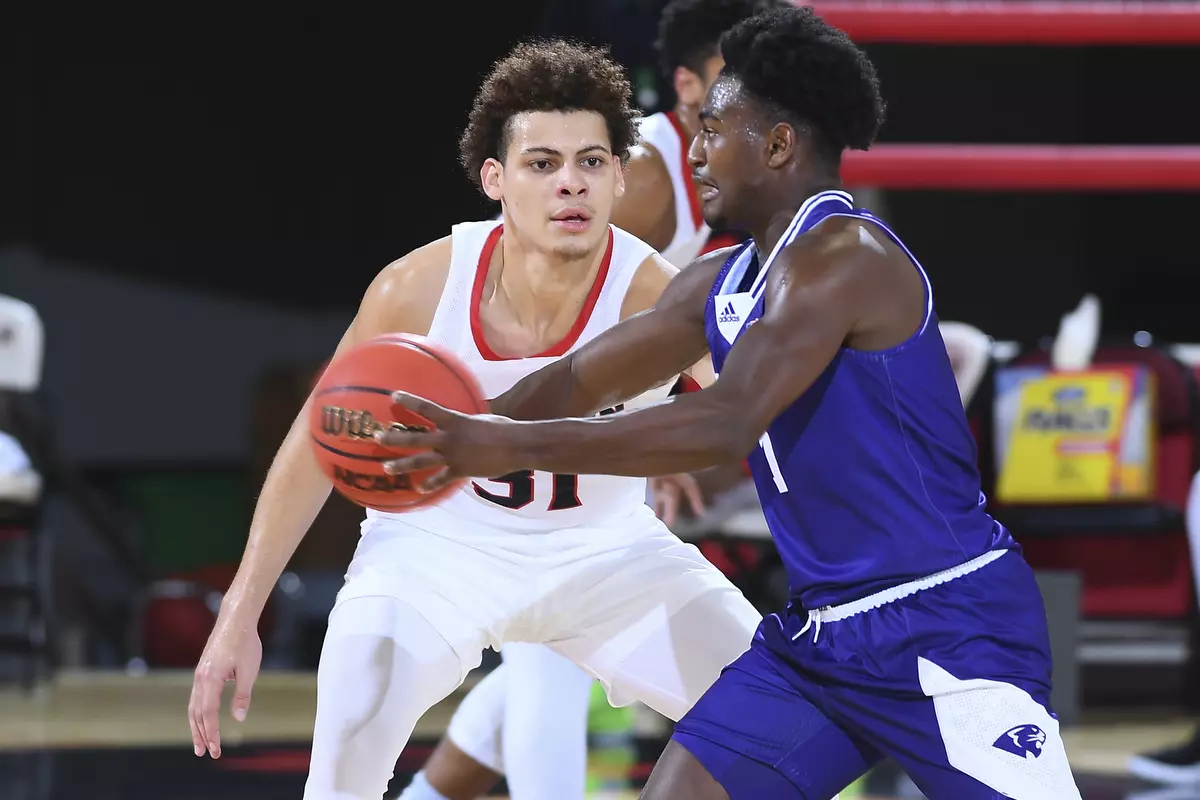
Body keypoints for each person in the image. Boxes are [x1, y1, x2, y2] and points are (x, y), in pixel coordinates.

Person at [377, 8, 1084, 799]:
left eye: (713, 132)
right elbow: (581, 379)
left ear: (777, 145)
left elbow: (725, 421)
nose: (697, 153)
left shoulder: (845, 257)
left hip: (947, 625)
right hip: (821, 642)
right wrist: (454, 422)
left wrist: (503, 450)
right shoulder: (725, 279)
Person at [186, 39, 763, 800]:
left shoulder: (661, 296)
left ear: (620, 176)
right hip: (438, 550)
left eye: (592, 162)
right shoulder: (417, 289)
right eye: (542, 163)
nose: (571, 184)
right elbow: (313, 442)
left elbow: (765, 414)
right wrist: (240, 612)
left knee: (777, 716)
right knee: (347, 743)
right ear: (495, 178)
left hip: (609, 555)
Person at [398, 4, 789, 799]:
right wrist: (630, 433)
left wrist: (651, 425)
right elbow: (543, 314)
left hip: (576, 422)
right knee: (550, 650)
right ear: (688, 88)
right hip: (516, 417)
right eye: (738, 80)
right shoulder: (646, 177)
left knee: (552, 650)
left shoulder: (732, 172)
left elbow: (641, 333)